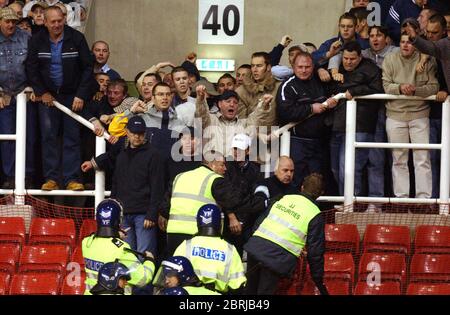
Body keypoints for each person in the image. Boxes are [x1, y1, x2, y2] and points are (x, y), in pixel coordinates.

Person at [26, 6, 94, 191]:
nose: (57, 24)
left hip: (72, 95)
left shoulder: (77, 38)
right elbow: (31, 68)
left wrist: (81, 94)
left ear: (64, 19)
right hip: (48, 96)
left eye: (59, 20)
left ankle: (72, 179)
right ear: (45, 22)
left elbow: (88, 68)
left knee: (72, 137)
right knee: (48, 137)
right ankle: (52, 179)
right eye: (53, 21)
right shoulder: (37, 40)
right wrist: (41, 92)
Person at [81, 116, 166, 258]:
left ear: (144, 133)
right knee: (127, 257)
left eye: (140, 133)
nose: (137, 137)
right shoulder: (121, 152)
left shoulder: (154, 155)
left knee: (144, 257)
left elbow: (157, 187)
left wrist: (152, 214)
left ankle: (143, 281)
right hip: (124, 215)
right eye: (134, 133)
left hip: (143, 215)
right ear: (127, 132)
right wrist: (93, 163)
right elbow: (111, 167)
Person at [244, 173, 328, 295]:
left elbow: (258, 223)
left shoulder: (284, 198)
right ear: (321, 193)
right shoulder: (315, 214)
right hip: (277, 258)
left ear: (302, 187)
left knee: (249, 291)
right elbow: (316, 252)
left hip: (256, 248)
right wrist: (317, 278)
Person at [382, 33, 439, 200]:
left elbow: (434, 87)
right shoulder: (390, 59)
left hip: (419, 114)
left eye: (409, 42)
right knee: (399, 159)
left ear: (416, 44)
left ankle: (423, 201)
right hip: (395, 114)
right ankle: (401, 199)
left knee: (422, 159)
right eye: (402, 41)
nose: (405, 45)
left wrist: (416, 90)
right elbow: (385, 85)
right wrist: (400, 88)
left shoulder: (426, 60)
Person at [162, 150, 248, 256]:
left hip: (173, 234)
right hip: (199, 234)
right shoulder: (215, 180)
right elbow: (235, 201)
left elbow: (165, 206)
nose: (225, 169)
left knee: (177, 268)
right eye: (222, 165)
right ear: (212, 164)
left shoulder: (179, 177)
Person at [329, 41, 384, 198]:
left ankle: (351, 205)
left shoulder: (371, 68)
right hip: (337, 124)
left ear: (360, 57)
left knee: (349, 168)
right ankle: (346, 202)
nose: (348, 62)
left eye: (352, 59)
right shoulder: (336, 68)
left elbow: (378, 88)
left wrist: (354, 91)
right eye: (345, 58)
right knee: (335, 168)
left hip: (360, 125)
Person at [276, 51, 338, 187]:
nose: (304, 70)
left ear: (313, 66)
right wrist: (311, 108)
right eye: (300, 67)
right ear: (293, 67)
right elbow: (285, 112)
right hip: (297, 142)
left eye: (307, 67)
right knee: (295, 181)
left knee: (318, 182)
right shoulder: (287, 86)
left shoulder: (321, 81)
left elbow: (336, 93)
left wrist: (332, 102)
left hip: (321, 142)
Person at [82, 199, 155, 295]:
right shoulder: (121, 250)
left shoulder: (87, 243)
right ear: (119, 220)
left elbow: (101, 242)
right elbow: (142, 279)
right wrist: (150, 261)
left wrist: (115, 236)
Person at [0, 7, 36, 189]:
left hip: (25, 93)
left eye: (13, 21)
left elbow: (34, 64)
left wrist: (35, 87)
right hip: (4, 95)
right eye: (7, 21)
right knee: (6, 137)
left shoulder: (26, 37)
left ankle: (27, 174)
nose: (11, 25)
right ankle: (9, 175)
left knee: (28, 136)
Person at [173, 204, 246, 294]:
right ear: (220, 224)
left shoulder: (186, 245)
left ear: (198, 223)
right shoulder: (230, 249)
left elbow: (171, 277)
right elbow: (237, 286)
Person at [236, 52, 280, 128]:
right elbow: (241, 120)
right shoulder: (241, 91)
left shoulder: (279, 87)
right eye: (253, 66)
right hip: (251, 133)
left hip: (274, 133)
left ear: (268, 67)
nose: (255, 69)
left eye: (259, 66)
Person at [153, 256, 220, 295]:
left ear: (182, 275)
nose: (166, 281)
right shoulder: (210, 291)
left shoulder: (176, 293)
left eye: (170, 275)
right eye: (165, 275)